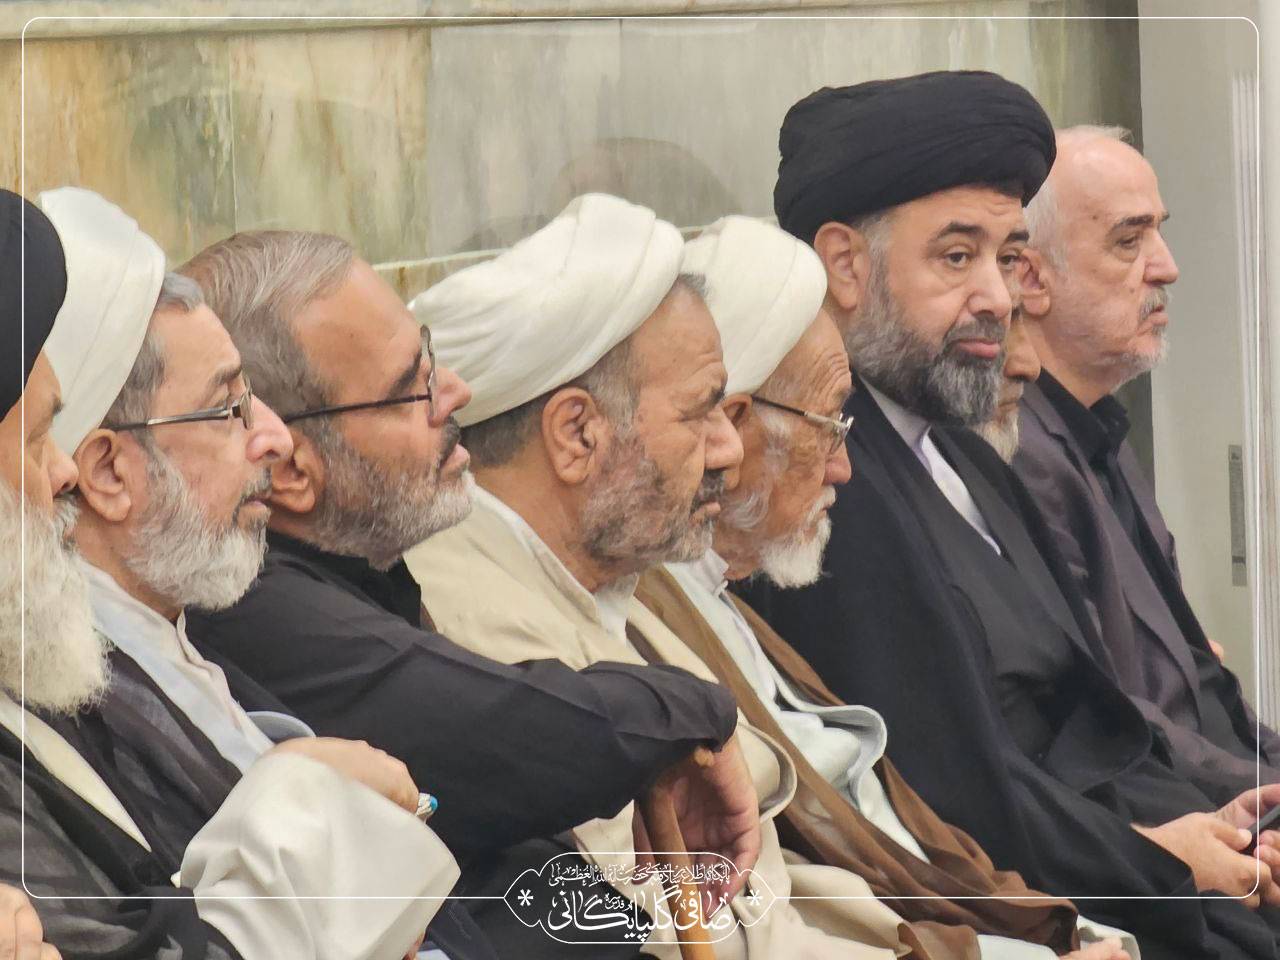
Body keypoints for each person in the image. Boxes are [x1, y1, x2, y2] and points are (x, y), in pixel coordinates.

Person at [741, 71, 1280, 960]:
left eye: (1006, 256)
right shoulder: (830, 487)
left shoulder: (956, 445)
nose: (998, 295)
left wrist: (1215, 827)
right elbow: (951, 796)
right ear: (844, 264)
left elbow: (1093, 721)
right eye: (958, 258)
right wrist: (1160, 859)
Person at [177, 205, 759, 958]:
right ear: (290, 469)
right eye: (411, 386)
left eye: (430, 360)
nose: (453, 393)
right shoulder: (249, 606)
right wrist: (692, 713)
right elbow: (518, 735)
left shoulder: (361, 566)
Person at [406, 193, 958, 960]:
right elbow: (688, 936)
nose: (728, 450)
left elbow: (761, 900)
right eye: (701, 413)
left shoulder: (606, 576)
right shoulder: (480, 635)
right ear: (577, 434)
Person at [639, 214, 1135, 960]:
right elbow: (775, 915)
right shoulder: (653, 631)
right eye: (827, 427)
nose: (843, 468)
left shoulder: (721, 601)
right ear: (734, 425)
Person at [33, 186, 452, 960]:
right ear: (107, 472)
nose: (274, 438)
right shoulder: (64, 708)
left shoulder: (166, 628)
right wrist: (305, 792)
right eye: (229, 408)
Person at [1014, 124, 1280, 795]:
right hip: (1183, 814)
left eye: (1158, 232)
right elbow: (1111, 724)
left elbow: (1202, 687)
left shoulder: (1096, 423)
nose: (1167, 267)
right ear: (1031, 278)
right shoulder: (1021, 456)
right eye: (1128, 241)